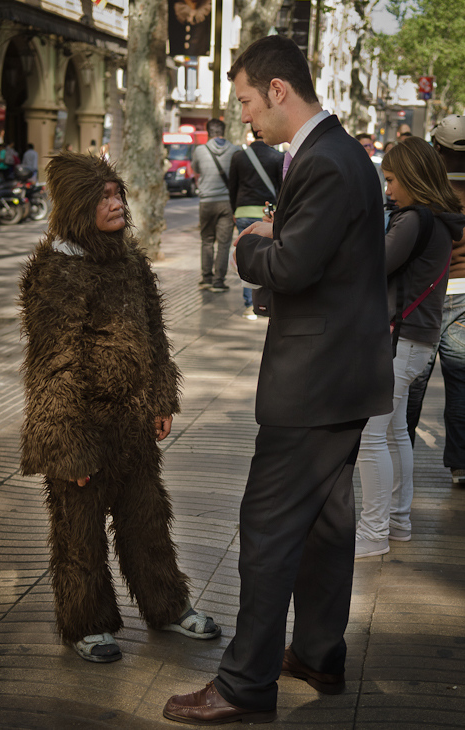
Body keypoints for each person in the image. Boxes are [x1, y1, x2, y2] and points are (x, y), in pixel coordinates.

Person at [163, 35, 394, 725]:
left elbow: (291, 267)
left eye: (246, 102)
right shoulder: (335, 156)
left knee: (265, 529)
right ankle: (318, 654)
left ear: (280, 90)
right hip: (340, 377)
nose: (246, 119)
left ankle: (242, 685)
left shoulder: (326, 161)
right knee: (326, 524)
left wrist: (250, 244)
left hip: (315, 383)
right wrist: (278, 235)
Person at [19, 152, 221, 664]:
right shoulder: (55, 271)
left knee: (148, 520)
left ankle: (169, 607)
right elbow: (53, 366)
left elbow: (154, 336)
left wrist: (160, 398)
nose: (115, 205)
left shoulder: (129, 260)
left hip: (131, 427)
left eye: (117, 195)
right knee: (79, 535)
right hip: (81, 431)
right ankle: (87, 624)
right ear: (78, 205)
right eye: (103, 197)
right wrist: (68, 449)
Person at [356, 137, 465, 558]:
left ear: (414, 178)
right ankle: (397, 522)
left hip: (399, 339)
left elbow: (372, 265)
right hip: (416, 337)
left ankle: (374, 531)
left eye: (391, 179)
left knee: (371, 437)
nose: (388, 189)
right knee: (397, 431)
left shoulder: (415, 220)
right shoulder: (438, 219)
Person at [407, 115, 465, 485]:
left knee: (412, 380)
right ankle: (461, 464)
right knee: (461, 382)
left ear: (438, 149)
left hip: (428, 295)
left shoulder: (428, 189)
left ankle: (400, 450)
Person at [229, 128, 283, 318]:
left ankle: (249, 305)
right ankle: (264, 303)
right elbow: (281, 188)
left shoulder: (239, 157)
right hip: (268, 213)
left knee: (245, 255)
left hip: (243, 210)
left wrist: (234, 210)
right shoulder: (278, 157)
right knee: (267, 256)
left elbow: (232, 187)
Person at [191, 118, 239, 292]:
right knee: (224, 243)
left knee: (207, 240)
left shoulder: (200, 150)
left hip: (206, 202)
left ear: (208, 132)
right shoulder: (235, 150)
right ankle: (219, 281)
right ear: (223, 132)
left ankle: (206, 279)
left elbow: (196, 169)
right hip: (227, 202)